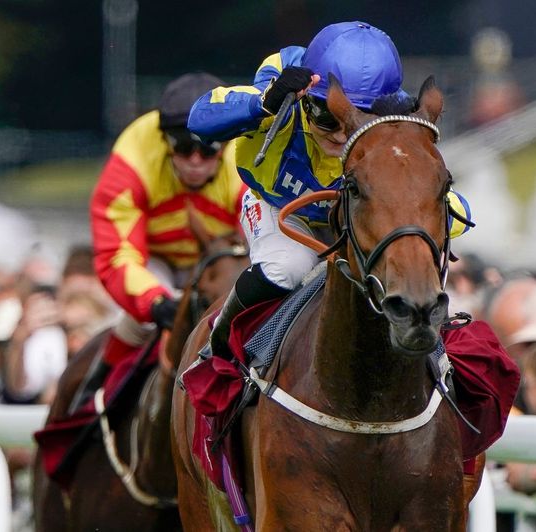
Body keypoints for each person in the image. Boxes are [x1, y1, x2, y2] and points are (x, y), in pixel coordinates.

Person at [188, 21, 473, 352]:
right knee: (287, 267)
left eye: (359, 117)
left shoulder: (397, 127)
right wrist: (264, 103)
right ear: (306, 98)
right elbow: (199, 119)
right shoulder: (279, 91)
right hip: (281, 209)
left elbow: (452, 212)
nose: (340, 134)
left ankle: (443, 368)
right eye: (328, 116)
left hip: (354, 219)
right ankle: (217, 348)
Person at [73, 72, 247, 409]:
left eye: (208, 151)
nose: (195, 161)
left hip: (219, 261)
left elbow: (260, 239)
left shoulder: (245, 150)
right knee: (139, 319)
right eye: (183, 148)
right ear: (165, 142)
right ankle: (98, 395)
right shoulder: (134, 154)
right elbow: (117, 254)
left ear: (225, 146)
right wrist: (155, 302)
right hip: (156, 261)